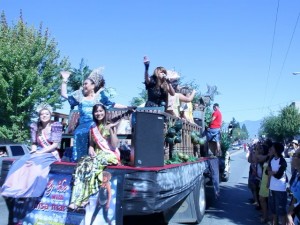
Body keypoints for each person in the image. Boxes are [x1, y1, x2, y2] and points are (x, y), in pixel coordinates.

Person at [61, 68, 126, 162]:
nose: (83, 86)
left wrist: (127, 107)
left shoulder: (99, 97)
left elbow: (113, 104)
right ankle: (79, 161)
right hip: (82, 126)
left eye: (85, 84)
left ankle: (95, 159)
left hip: (96, 125)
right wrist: (64, 79)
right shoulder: (80, 97)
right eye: (83, 84)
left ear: (93, 85)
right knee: (80, 133)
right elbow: (64, 94)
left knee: (95, 131)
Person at [1, 103, 63, 198]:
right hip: (38, 151)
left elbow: (55, 144)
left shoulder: (56, 125)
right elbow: (34, 143)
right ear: (39, 116)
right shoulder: (35, 126)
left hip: (49, 153)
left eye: (46, 114)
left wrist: (40, 153)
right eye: (42, 114)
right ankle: (14, 188)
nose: (44, 116)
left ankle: (29, 191)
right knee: (20, 162)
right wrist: (33, 152)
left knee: (35, 166)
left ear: (50, 115)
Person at [68, 103, 119, 211]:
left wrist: (111, 129)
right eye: (96, 111)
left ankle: (83, 199)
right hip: (97, 154)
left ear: (105, 112)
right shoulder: (92, 126)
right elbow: (92, 143)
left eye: (101, 111)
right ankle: (75, 200)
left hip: (109, 154)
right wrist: (91, 148)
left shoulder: (110, 124)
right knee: (82, 164)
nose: (98, 113)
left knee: (93, 165)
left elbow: (114, 146)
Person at [267, 142, 288, 225]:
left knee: (281, 211)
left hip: (280, 189)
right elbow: (267, 172)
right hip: (272, 188)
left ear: (276, 149)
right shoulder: (271, 159)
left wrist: (272, 172)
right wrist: (273, 172)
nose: (271, 149)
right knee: (273, 210)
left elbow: (279, 175)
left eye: (272, 147)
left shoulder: (282, 161)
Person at [287, 150, 300, 225]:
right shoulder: (297, 174)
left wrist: (290, 214)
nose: (292, 157)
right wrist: (289, 215)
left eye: (295, 155)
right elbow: (294, 199)